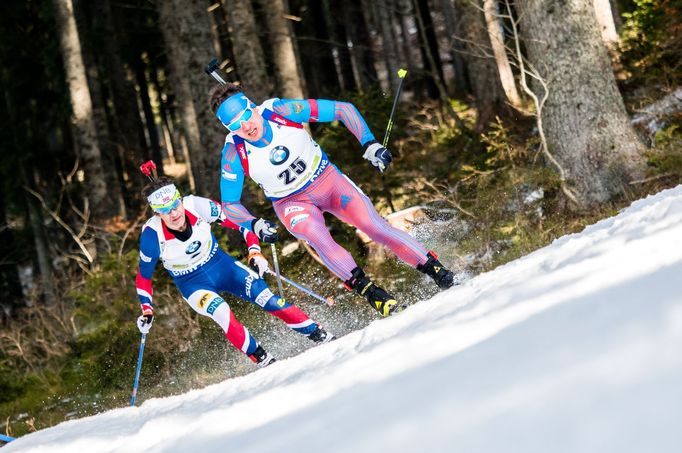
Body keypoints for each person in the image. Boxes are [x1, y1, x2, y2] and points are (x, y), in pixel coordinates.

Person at [209, 84, 456, 318]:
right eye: (236, 125)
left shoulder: (280, 111)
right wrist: (254, 225)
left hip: (327, 180)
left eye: (246, 116)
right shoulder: (233, 152)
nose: (246, 126)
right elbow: (230, 204)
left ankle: (435, 269)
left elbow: (342, 109)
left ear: (252, 106)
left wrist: (369, 144)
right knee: (315, 234)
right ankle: (374, 294)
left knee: (374, 226)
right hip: (291, 202)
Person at [134, 176, 334, 368]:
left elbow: (243, 223)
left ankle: (317, 333)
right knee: (222, 313)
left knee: (267, 298)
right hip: (192, 283)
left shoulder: (197, 206)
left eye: (175, 205)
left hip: (222, 266)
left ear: (180, 200)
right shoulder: (152, 235)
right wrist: (147, 310)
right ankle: (261, 358)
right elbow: (144, 276)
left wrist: (255, 252)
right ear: (157, 213)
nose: (174, 214)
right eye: (165, 210)